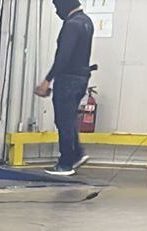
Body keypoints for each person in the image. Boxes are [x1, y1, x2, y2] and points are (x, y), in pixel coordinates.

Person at [34, 0, 93, 177]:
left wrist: (47, 80)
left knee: (63, 121)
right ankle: (76, 154)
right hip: (82, 78)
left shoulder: (72, 24)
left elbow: (63, 56)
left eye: (56, 6)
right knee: (69, 118)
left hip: (68, 79)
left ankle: (65, 163)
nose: (56, 11)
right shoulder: (86, 22)